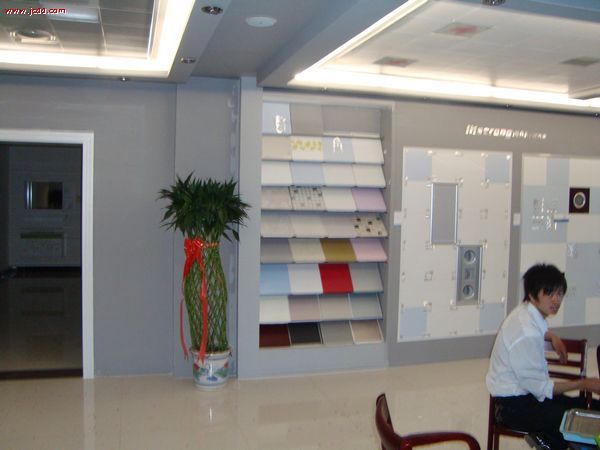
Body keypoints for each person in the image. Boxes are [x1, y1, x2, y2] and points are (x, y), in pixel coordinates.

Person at [486, 263, 600, 450]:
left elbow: (536, 330)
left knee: (591, 409)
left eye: (559, 293)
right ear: (532, 295)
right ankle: (547, 442)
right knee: (580, 423)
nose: (556, 300)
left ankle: (548, 441)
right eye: (549, 293)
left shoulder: (524, 312)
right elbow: (542, 388)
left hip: (525, 396)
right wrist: (584, 383)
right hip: (514, 407)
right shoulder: (527, 333)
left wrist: (551, 335)